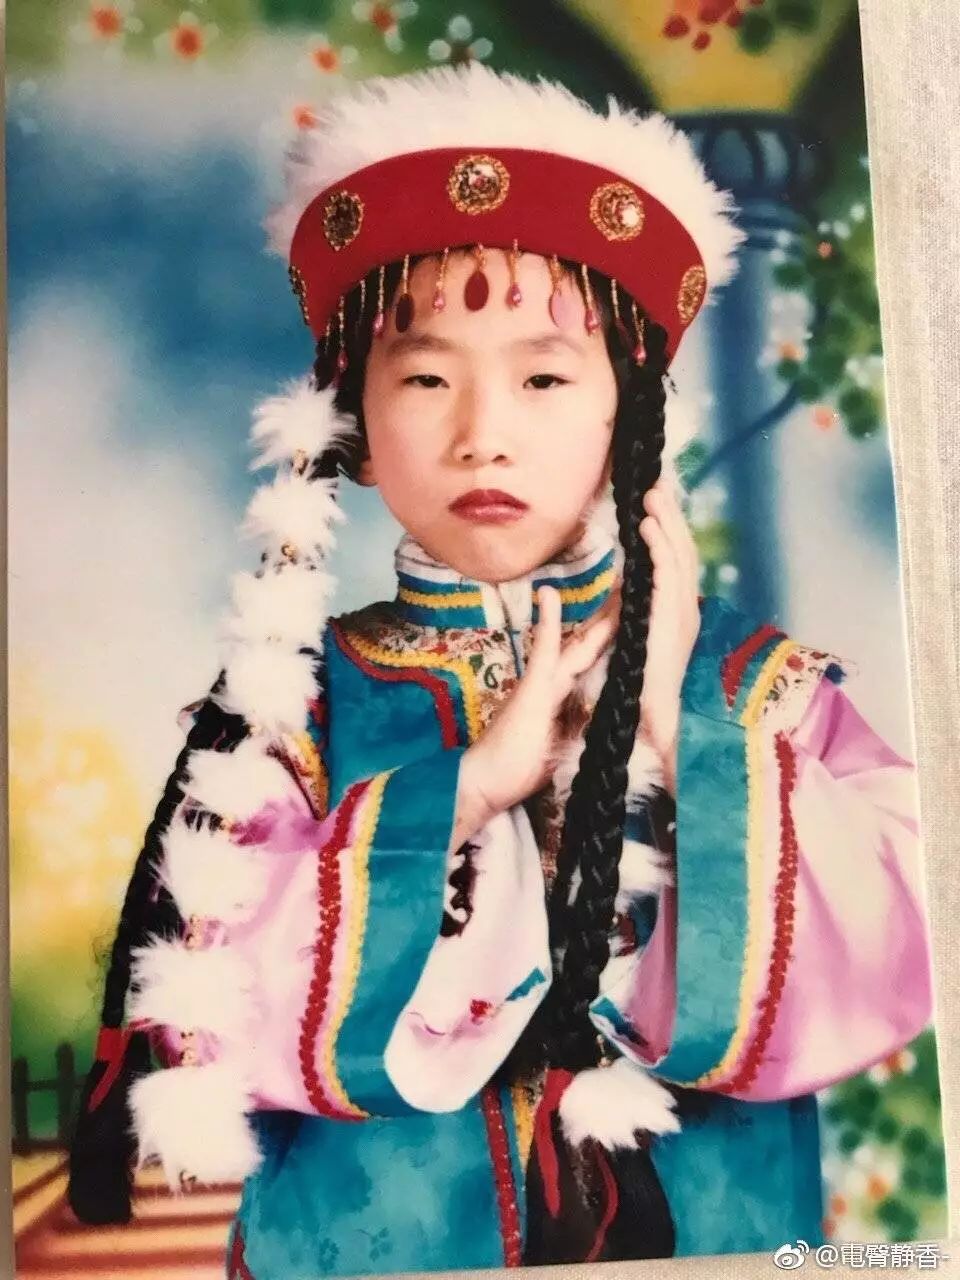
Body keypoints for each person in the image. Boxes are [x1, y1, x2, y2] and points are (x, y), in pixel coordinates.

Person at [67, 64, 933, 1277]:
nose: (484, 433)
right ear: (357, 428)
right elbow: (203, 996)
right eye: (427, 376)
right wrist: (464, 792)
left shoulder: (756, 683)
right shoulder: (288, 712)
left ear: (633, 417)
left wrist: (685, 727)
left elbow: (911, 930)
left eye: (544, 376)